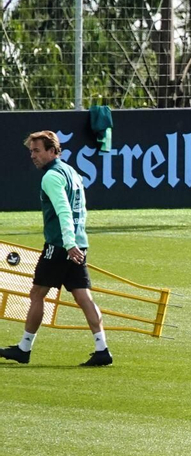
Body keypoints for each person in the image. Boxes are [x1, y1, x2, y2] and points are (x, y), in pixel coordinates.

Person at [0, 131, 113, 367]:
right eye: (31, 151)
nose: (32, 155)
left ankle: (24, 348)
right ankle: (102, 348)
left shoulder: (51, 177)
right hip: (78, 243)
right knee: (83, 296)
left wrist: (69, 244)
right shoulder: (71, 172)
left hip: (61, 245)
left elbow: (64, 211)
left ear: (52, 151)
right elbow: (80, 209)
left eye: (37, 150)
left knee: (37, 293)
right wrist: (77, 240)